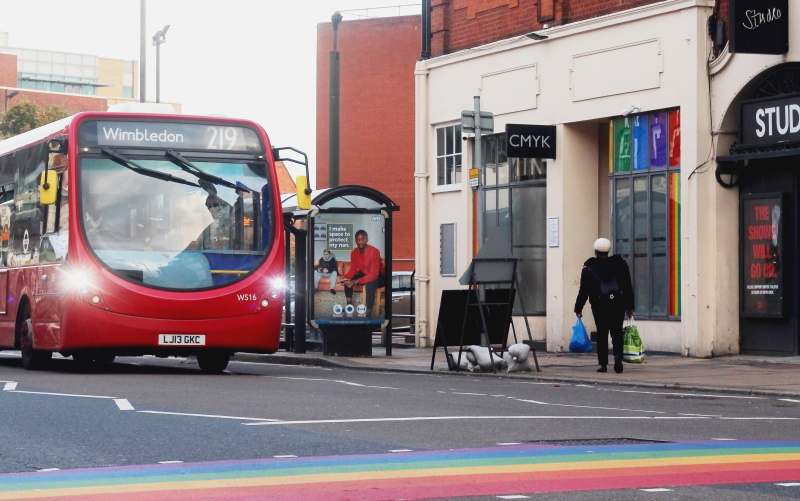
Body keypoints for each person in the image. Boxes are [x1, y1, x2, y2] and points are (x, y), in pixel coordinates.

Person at [574, 238, 634, 374]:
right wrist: (629, 307)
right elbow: (627, 287)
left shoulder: (588, 268)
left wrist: (578, 308)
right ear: (608, 251)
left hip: (599, 305)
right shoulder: (621, 265)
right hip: (618, 303)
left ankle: (603, 364)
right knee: (617, 332)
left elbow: (584, 290)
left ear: (595, 251)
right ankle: (618, 359)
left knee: (602, 333)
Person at [341, 230, 384, 317]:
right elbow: (352, 270)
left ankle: (368, 314)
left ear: (367, 240)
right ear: (355, 241)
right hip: (365, 273)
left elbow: (373, 275)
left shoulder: (374, 252)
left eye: (362, 239)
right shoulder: (354, 252)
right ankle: (349, 305)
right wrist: (344, 277)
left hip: (380, 275)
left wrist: (356, 281)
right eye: (358, 239)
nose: (360, 241)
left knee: (370, 284)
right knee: (348, 279)